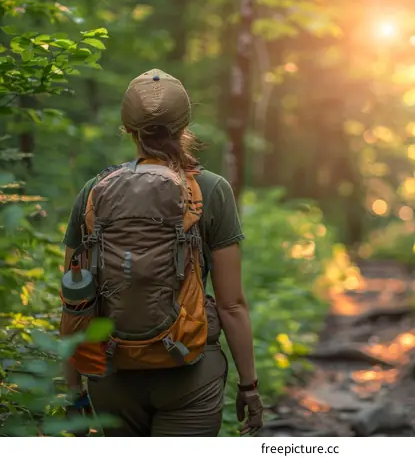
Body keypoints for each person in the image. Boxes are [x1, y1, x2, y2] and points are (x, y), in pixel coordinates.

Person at [60, 68, 264, 437]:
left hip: (111, 374)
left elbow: (74, 301)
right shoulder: (211, 190)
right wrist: (248, 386)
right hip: (190, 371)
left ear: (128, 128)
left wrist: (74, 394)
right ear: (185, 124)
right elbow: (232, 305)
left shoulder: (94, 192)